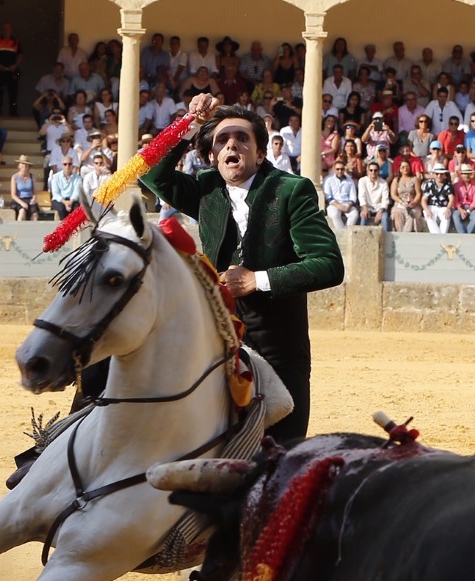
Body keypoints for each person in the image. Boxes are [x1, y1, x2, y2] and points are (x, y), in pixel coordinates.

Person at [140, 95, 345, 443]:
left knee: (280, 450)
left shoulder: (291, 190)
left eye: (242, 138)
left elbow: (329, 264)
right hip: (217, 345)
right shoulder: (206, 189)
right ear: (211, 156)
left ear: (260, 154)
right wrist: (189, 124)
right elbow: (152, 173)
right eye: (221, 140)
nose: (231, 144)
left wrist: (257, 280)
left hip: (278, 345)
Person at [389, 158, 423, 232]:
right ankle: (400, 234)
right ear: (400, 169)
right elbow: (393, 194)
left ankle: (406, 234)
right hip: (400, 202)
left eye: (407, 166)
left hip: (412, 202)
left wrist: (414, 202)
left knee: (412, 215)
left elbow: (418, 193)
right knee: (398, 214)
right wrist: (401, 202)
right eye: (403, 167)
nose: (405, 169)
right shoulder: (396, 180)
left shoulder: (415, 179)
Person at [357, 159, 390, 229]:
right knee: (363, 216)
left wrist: (380, 211)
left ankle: (386, 236)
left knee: (385, 217)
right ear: (368, 171)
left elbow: (385, 199)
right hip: (367, 207)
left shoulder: (384, 183)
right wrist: (365, 208)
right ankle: (361, 235)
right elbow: (361, 196)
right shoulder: (362, 181)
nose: (373, 172)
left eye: (375, 170)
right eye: (371, 170)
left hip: (379, 207)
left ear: (378, 171)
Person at [451, 162, 475, 233]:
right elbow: (456, 201)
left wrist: (467, 211)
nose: (466, 175)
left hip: (471, 208)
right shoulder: (456, 185)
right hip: (460, 207)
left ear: (471, 174)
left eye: (468, 173)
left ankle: (467, 235)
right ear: (461, 175)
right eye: (464, 173)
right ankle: (463, 235)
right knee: (455, 216)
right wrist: (461, 210)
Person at [9, 154, 38, 220]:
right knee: (22, 211)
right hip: (19, 200)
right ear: (19, 165)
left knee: (35, 214)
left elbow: (34, 193)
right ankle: (19, 226)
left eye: (26, 164)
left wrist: (33, 199)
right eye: (22, 164)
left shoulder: (32, 177)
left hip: (29, 199)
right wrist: (22, 203)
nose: (24, 165)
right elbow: (13, 195)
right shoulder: (14, 177)